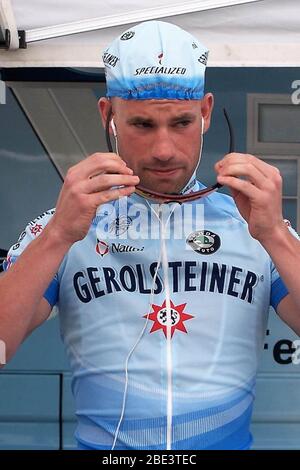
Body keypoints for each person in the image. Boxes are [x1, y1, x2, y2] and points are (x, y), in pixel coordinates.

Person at [1, 20, 300, 451]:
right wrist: (58, 235)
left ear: (206, 113)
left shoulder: (253, 222)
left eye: (181, 123)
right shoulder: (69, 224)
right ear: (109, 116)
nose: (163, 149)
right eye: (142, 124)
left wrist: (274, 233)